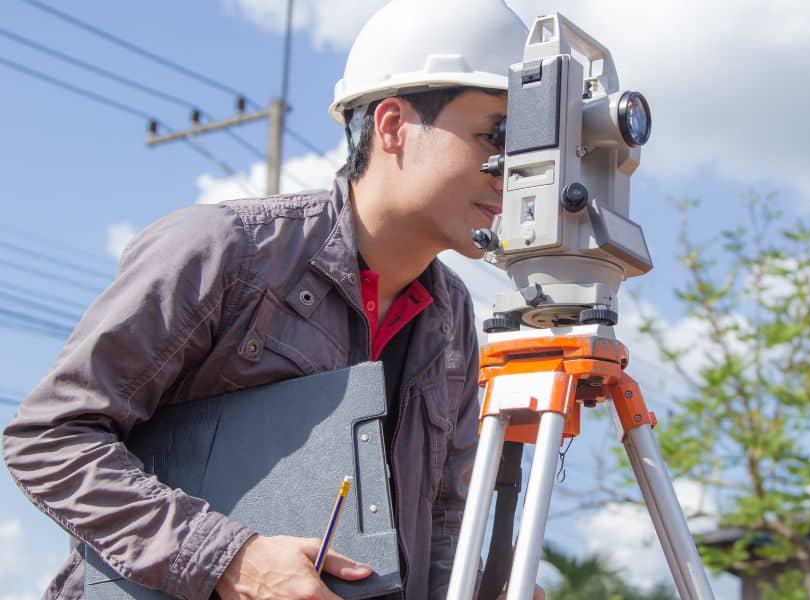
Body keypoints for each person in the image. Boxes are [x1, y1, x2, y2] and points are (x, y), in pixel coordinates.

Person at [3, 1, 542, 598]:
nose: (513, 171)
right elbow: (49, 439)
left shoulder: (451, 320)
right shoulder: (225, 251)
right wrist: (231, 560)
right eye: (495, 135)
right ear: (392, 126)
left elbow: (444, 520)